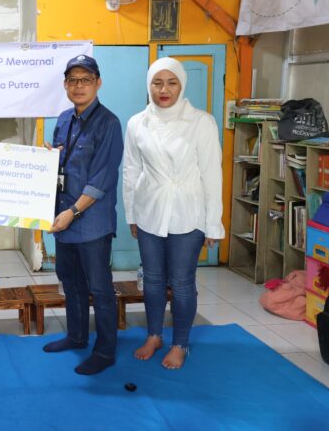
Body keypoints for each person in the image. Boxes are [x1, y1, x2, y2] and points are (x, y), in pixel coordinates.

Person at [123, 57, 224, 369]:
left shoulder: (201, 122)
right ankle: (154, 335)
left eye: (171, 83)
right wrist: (131, 214)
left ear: (182, 86)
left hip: (188, 211)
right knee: (152, 279)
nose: (163, 90)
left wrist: (213, 224)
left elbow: (212, 175)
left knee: (181, 282)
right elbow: (130, 170)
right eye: (157, 83)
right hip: (150, 209)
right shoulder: (137, 123)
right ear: (149, 86)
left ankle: (180, 343)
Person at [43, 54, 124, 376]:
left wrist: (73, 212)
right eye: (73, 80)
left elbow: (102, 178)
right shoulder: (64, 119)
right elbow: (63, 167)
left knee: (100, 289)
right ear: (65, 85)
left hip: (90, 223)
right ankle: (76, 336)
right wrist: (48, 162)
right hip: (64, 219)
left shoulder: (109, 123)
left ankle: (105, 351)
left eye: (86, 80)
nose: (79, 86)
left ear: (98, 83)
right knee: (70, 281)